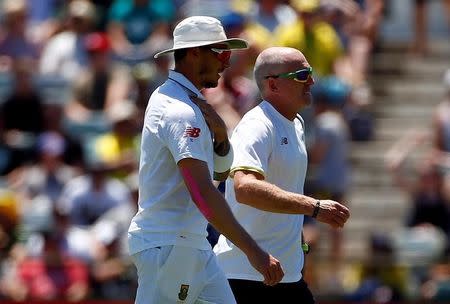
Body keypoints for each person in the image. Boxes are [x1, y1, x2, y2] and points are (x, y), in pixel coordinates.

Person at [127, 16, 284, 304]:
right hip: (170, 245)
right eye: (221, 52)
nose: (227, 62)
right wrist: (254, 251)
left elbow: (220, 174)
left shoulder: (185, 101)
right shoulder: (180, 109)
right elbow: (201, 192)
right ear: (195, 52)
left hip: (190, 243)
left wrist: (221, 138)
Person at [213, 46, 350, 303]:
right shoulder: (257, 126)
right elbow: (245, 188)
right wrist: (314, 207)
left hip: (285, 275)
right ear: (273, 85)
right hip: (246, 278)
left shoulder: (296, 123)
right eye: (301, 75)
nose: (311, 80)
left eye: (309, 72)